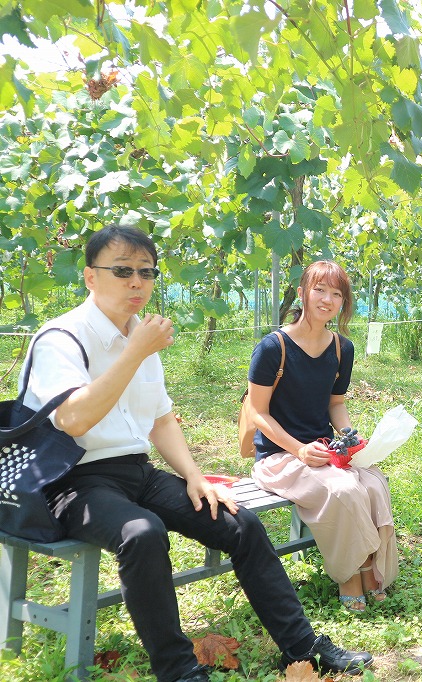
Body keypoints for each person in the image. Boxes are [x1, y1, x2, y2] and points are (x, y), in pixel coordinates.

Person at [20, 224, 372, 682]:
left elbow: (161, 420)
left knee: (242, 523)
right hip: (72, 480)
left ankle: (302, 646)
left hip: (136, 472)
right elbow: (73, 419)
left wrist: (195, 476)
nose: (137, 282)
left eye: (146, 272)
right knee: (142, 533)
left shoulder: (140, 335)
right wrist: (135, 352)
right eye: (123, 271)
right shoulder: (61, 338)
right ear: (90, 276)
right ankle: (179, 671)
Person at [247, 260, 397, 613]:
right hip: (279, 457)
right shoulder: (273, 348)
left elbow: (335, 403)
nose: (327, 300)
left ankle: (368, 565)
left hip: (325, 452)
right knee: (344, 490)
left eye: (336, 294)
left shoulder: (342, 348)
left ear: (343, 302)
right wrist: (299, 450)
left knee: (375, 483)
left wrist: (349, 436)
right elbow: (258, 413)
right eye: (319, 290)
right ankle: (351, 575)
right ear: (302, 293)